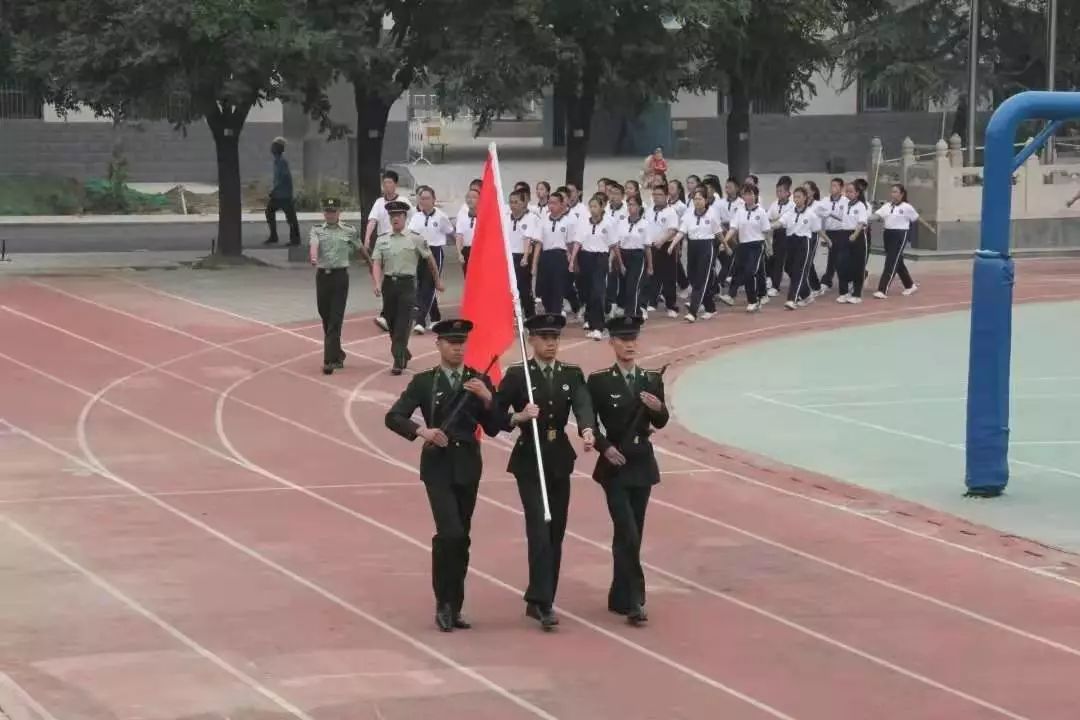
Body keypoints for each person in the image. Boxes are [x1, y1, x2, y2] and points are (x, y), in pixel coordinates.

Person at [384, 319, 501, 632]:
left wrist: (487, 398)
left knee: (462, 537)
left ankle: (456, 605)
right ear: (439, 345)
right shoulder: (425, 382)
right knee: (449, 533)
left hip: (467, 465)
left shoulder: (477, 380)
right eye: (451, 342)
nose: (458, 347)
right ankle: (443, 603)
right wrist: (424, 431)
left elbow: (495, 425)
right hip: (437, 466)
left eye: (462, 342)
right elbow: (394, 417)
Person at [495, 313, 596, 630]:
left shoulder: (571, 373)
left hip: (558, 458)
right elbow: (495, 415)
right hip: (530, 458)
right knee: (539, 527)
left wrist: (587, 430)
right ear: (533, 341)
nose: (551, 344)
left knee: (556, 531)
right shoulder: (518, 375)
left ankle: (543, 595)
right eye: (544, 338)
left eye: (555, 338)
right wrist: (519, 417)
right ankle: (542, 601)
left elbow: (582, 405)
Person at [587, 315, 669, 625]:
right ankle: (636, 599)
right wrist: (604, 447)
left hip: (642, 464)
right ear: (612, 343)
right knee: (628, 532)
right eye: (623, 339)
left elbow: (661, 421)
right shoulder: (599, 381)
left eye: (633, 339)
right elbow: (589, 422)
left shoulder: (649, 379)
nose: (630, 344)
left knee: (633, 531)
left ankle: (619, 595)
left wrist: (658, 409)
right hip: (614, 466)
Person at [371, 200, 443, 374]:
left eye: (398, 216)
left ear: (405, 217)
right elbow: (377, 263)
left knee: (403, 323)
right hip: (389, 284)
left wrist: (437, 281)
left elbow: (430, 260)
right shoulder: (382, 240)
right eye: (392, 216)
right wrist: (377, 283)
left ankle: (398, 360)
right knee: (390, 320)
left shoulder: (415, 238)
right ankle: (403, 351)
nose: (395, 219)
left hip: (407, 285)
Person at [308, 197, 360, 375]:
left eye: (333, 211)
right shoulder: (317, 230)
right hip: (323, 277)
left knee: (335, 319)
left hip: (340, 277)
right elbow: (314, 245)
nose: (330, 214)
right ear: (324, 213)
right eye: (327, 211)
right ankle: (337, 353)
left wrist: (372, 266)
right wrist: (313, 257)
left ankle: (329, 361)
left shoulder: (349, 231)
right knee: (325, 316)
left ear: (339, 212)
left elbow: (360, 248)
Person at [364, 170, 414, 333]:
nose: (386, 186)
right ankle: (387, 313)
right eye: (384, 183)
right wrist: (366, 238)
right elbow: (372, 221)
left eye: (390, 183)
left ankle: (393, 313)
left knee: (398, 278)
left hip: (401, 243)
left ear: (396, 184)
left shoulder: (404, 201)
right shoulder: (379, 202)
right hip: (384, 244)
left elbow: (413, 221)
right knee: (386, 278)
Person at [408, 186, 455, 333]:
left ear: (434, 200)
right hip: (420, 253)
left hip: (435, 251)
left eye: (427, 198)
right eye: (422, 198)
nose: (424, 201)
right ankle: (435, 316)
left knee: (430, 284)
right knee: (422, 285)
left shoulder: (441, 216)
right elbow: (411, 235)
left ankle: (420, 320)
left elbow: (451, 233)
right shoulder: (416, 217)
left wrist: (459, 251)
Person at [873, 183, 920, 298]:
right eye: (892, 192)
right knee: (897, 261)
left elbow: (915, 218)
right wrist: (866, 216)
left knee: (891, 262)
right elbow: (876, 216)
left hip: (900, 234)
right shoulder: (887, 206)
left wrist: (909, 234)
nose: (893, 194)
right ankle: (910, 285)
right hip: (888, 234)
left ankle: (882, 289)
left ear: (902, 194)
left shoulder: (906, 207)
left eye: (895, 192)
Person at [507, 189, 540, 319]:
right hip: (509, 257)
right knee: (509, 288)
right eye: (511, 202)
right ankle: (513, 313)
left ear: (523, 203)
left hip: (523, 257)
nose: (513, 205)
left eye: (516, 202)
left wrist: (526, 257)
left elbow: (529, 239)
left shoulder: (531, 218)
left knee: (524, 288)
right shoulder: (505, 217)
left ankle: (530, 315)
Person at [836, 182, 870, 304]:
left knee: (857, 266)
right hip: (844, 234)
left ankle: (856, 293)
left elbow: (861, 222)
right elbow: (841, 218)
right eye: (847, 191)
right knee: (841, 264)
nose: (848, 193)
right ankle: (844, 292)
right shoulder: (845, 204)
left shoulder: (861, 206)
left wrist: (855, 234)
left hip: (857, 235)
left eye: (851, 191)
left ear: (857, 193)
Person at [264, 137, 300, 246]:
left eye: (274, 146)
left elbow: (284, 178)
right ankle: (274, 236)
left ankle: (295, 240)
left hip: (284, 195)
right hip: (278, 195)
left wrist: (274, 190)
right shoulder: (276, 161)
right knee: (269, 211)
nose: (271, 148)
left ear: (278, 148)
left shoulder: (282, 162)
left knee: (291, 218)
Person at [454, 186, 479, 275]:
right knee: (468, 277)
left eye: (474, 197)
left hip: (480, 251)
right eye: (468, 197)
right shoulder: (462, 216)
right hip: (467, 250)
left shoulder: (484, 217)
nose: (470, 200)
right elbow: (459, 236)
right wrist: (459, 253)